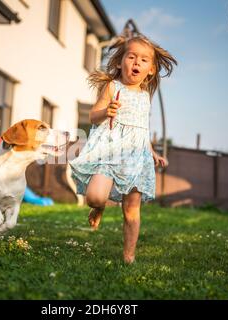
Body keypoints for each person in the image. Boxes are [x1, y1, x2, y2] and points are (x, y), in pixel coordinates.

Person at [69, 34, 177, 264]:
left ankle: (129, 256)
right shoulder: (112, 86)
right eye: (131, 57)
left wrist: (152, 151)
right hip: (109, 150)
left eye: (144, 60)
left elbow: (141, 129)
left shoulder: (146, 95)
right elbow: (92, 115)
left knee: (131, 209)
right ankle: (98, 208)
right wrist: (106, 111)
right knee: (95, 196)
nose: (137, 62)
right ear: (120, 62)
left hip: (136, 157)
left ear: (151, 69)